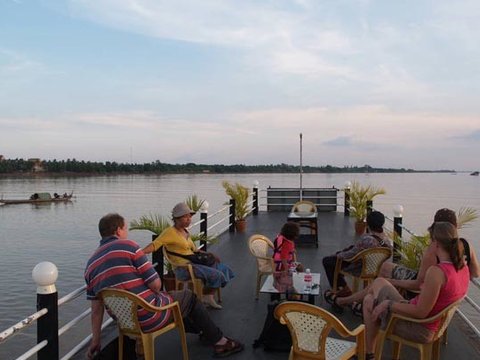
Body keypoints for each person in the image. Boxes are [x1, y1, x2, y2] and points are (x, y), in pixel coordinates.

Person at [84, 213, 244, 359]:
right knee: (189, 298)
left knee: (178, 301)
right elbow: (156, 285)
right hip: (151, 316)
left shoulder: (90, 265)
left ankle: (204, 331)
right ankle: (220, 342)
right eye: (125, 229)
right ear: (119, 230)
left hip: (127, 324)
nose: (126, 233)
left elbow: (96, 310)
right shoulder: (129, 247)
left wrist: (96, 341)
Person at [336, 207, 479, 313]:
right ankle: (368, 299)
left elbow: (418, 284)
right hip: (446, 294)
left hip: (424, 289)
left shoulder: (434, 250)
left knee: (383, 273)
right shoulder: (466, 245)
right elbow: (475, 273)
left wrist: (393, 282)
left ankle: (361, 302)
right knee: (386, 267)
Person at [361, 222, 469, 359]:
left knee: (369, 301)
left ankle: (369, 353)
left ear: (435, 243)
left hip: (420, 328)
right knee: (379, 282)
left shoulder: (437, 272)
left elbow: (420, 312)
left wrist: (388, 304)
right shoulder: (462, 268)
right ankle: (369, 351)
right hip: (435, 323)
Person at [143, 203, 234, 310]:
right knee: (217, 275)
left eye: (190, 216)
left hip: (194, 264)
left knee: (225, 270)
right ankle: (206, 296)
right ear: (176, 218)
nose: (189, 219)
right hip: (184, 269)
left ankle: (207, 295)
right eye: (185, 216)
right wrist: (138, 252)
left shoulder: (185, 232)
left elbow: (194, 250)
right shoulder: (169, 232)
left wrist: (210, 254)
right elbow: (155, 245)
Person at [323, 211, 391, 303]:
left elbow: (351, 254)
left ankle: (343, 288)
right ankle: (342, 286)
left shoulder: (367, 239)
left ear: (368, 224)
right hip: (375, 268)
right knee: (334, 260)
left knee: (328, 261)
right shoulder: (387, 240)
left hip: (359, 267)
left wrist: (337, 255)